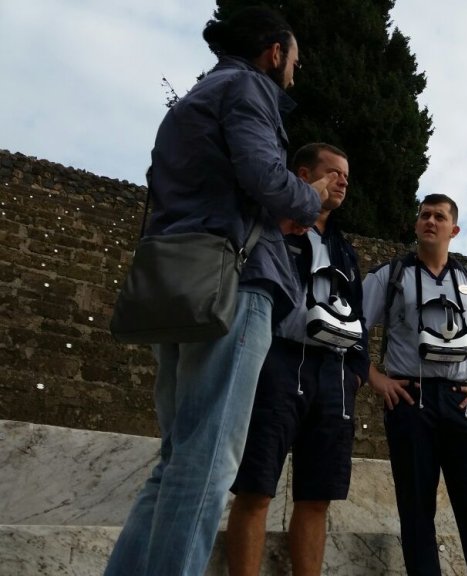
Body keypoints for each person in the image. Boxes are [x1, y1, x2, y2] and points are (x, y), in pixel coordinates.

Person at [104, 8, 332, 576]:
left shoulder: (196, 99)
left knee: (178, 460)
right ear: (274, 53)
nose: (295, 76)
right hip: (235, 286)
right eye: (294, 62)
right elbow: (264, 175)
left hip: (183, 284)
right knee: (209, 464)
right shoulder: (249, 89)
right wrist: (312, 198)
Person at [362, 194, 467, 576]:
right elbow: (353, 331)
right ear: (416, 225)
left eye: (439, 216)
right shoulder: (390, 275)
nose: (430, 221)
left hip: (463, 400)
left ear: (454, 229)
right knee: (416, 507)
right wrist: (376, 378)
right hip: (410, 399)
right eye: (424, 215)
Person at [225, 143, 367, 576]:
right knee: (256, 488)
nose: (343, 179)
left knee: (316, 497)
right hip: (279, 363)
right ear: (303, 175)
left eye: (346, 173)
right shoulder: (272, 228)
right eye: (333, 171)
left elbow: (356, 309)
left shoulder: (345, 250)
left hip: (333, 374)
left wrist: (357, 371)